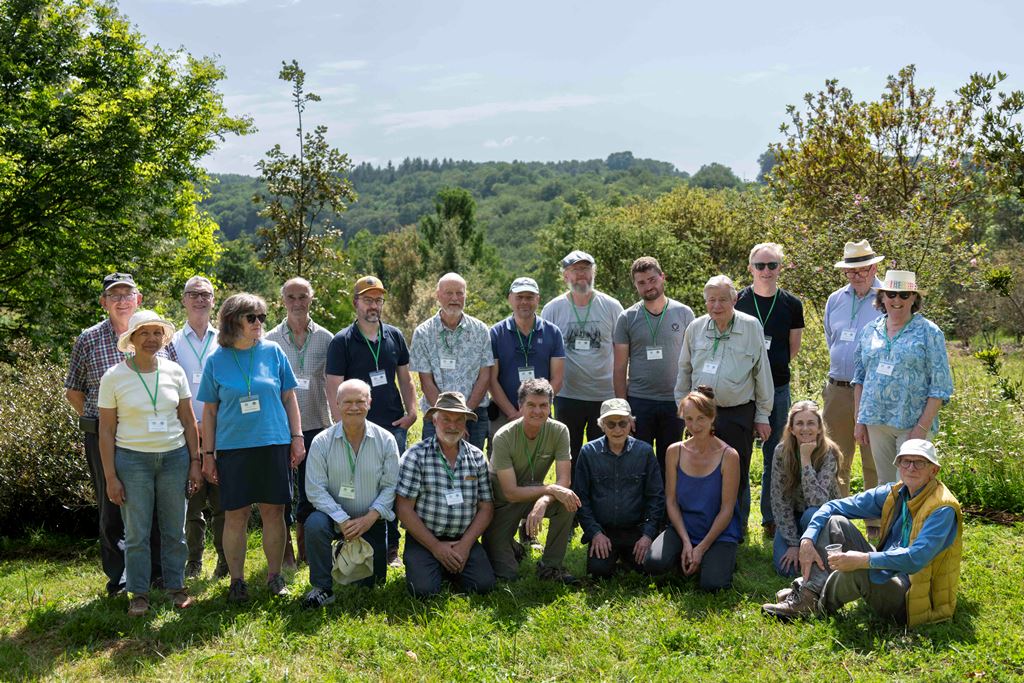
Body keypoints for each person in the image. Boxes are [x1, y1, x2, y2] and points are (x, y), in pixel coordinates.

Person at [761, 439, 963, 627]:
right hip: (887, 572)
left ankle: (813, 604)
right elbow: (832, 506)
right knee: (835, 523)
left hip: (914, 596)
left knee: (859, 570)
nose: (911, 467)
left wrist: (865, 559)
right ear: (898, 466)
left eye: (920, 463)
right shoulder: (895, 493)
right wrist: (807, 539)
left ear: (934, 470)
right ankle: (808, 593)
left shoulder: (941, 509)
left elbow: (915, 558)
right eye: (906, 461)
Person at [65, 272, 176, 596]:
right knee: (112, 504)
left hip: (149, 437)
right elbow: (73, 390)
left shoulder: (155, 333)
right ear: (104, 303)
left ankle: (155, 574)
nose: (122, 300)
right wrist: (105, 422)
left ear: (138, 300)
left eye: (128, 294)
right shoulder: (88, 339)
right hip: (105, 435)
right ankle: (119, 578)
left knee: (153, 504)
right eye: (114, 295)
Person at [197, 293, 305, 603]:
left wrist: (297, 438)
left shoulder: (273, 352)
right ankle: (237, 582)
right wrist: (208, 455)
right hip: (234, 449)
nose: (259, 323)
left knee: (275, 512)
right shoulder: (216, 361)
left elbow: (289, 398)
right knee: (236, 515)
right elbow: (210, 412)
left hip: (274, 443)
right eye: (251, 318)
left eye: (261, 317)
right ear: (233, 321)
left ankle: (275, 576)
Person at [97, 310, 202, 616]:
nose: (152, 339)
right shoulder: (114, 377)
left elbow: (187, 418)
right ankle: (139, 593)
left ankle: (176, 587)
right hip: (132, 461)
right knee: (137, 533)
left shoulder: (174, 371)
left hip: (174, 458)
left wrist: (195, 461)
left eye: (157, 333)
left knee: (174, 530)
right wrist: (110, 477)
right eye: (144, 333)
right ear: (131, 339)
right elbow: (106, 430)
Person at [326, 275, 417, 566]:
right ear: (356, 303)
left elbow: (405, 378)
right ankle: (353, 541)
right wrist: (340, 425)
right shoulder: (342, 341)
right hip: (356, 429)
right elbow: (334, 387)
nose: (373, 305)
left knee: (392, 484)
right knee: (357, 483)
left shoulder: (394, 336)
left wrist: (412, 411)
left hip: (392, 426)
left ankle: (392, 549)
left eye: (378, 300)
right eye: (367, 300)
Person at [675, 274, 773, 537]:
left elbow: (761, 372)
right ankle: (702, 525)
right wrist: (682, 407)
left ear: (735, 299)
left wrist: (763, 414)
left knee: (736, 472)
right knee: (702, 469)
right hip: (700, 414)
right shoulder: (695, 328)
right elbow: (684, 369)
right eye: (711, 300)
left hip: (737, 411)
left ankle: (734, 531)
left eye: (722, 300)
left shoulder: (751, 326)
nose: (716, 306)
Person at [302, 379, 399, 608]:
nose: (354, 407)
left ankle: (347, 553)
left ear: (370, 403)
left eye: (360, 401)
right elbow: (315, 489)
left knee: (372, 585)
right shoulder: (321, 442)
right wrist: (342, 519)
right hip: (333, 519)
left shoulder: (386, 440)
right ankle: (322, 587)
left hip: (371, 519)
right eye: (347, 402)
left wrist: (369, 518)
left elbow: (391, 487)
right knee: (314, 524)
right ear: (336, 403)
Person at [852, 270, 953, 487]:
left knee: (910, 483)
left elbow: (940, 386)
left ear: (914, 298)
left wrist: (922, 429)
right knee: (884, 484)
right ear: (882, 297)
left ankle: (911, 523)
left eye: (904, 295)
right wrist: (859, 420)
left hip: (912, 423)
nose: (896, 300)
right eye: (891, 294)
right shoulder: (870, 330)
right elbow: (859, 378)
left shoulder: (929, 332)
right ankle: (887, 522)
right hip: (876, 421)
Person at [395, 392, 496, 598]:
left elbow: (486, 507)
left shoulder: (477, 457)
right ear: (434, 420)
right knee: (423, 591)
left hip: (463, 538)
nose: (453, 425)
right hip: (425, 539)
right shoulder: (415, 456)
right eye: (446, 419)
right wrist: (436, 547)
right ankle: (438, 564)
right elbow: (403, 509)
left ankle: (450, 564)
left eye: (459, 419)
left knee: (484, 586)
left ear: (466, 422)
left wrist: (465, 545)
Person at [734, 243, 804, 538]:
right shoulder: (737, 300)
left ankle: (771, 517)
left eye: (772, 265)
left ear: (781, 268)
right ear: (750, 268)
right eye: (760, 265)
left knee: (775, 454)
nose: (766, 271)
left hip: (777, 387)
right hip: (741, 390)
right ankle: (736, 519)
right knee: (739, 455)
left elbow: (793, 348)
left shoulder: (791, 304)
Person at [482, 379, 580, 584]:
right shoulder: (504, 436)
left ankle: (551, 567)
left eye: (543, 405)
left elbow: (564, 479)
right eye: (531, 405)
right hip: (502, 504)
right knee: (507, 575)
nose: (538, 411)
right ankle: (510, 544)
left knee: (567, 501)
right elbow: (510, 492)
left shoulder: (560, 430)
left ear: (550, 406)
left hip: (532, 496)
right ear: (520, 406)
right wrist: (551, 489)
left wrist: (545, 499)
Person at [644, 387, 741, 591]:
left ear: (712, 417)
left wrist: (701, 547)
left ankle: (713, 558)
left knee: (712, 585)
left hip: (717, 531)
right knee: (653, 563)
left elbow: (727, 510)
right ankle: (686, 556)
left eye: (701, 418)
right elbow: (670, 501)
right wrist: (687, 542)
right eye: (688, 419)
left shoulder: (729, 456)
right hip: (683, 527)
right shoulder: (674, 451)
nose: (694, 425)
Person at [266, 277, 333, 566]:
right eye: (291, 297)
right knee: (281, 492)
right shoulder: (269, 340)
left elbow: (333, 384)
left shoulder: (327, 339)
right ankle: (286, 554)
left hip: (318, 422)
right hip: (280, 428)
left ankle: (307, 551)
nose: (297, 302)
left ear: (311, 297)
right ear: (282, 300)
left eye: (302, 296)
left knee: (311, 491)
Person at [823, 240, 884, 538]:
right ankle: (839, 522)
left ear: (874, 267)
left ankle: (875, 523)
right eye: (851, 270)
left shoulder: (888, 297)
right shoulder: (835, 299)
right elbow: (831, 340)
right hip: (837, 389)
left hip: (874, 391)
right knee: (836, 458)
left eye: (862, 269)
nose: (857, 275)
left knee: (873, 459)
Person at [540, 250, 623, 471]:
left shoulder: (612, 307)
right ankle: (571, 502)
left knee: (603, 456)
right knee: (569, 454)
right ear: (565, 276)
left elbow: (623, 353)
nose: (581, 275)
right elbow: (545, 354)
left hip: (604, 395)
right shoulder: (552, 309)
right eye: (575, 271)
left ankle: (599, 502)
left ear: (593, 273)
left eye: (586, 269)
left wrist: (622, 394)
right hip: (568, 395)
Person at [613, 257, 694, 476]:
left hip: (675, 402)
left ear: (662, 277)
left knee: (671, 464)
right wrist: (624, 409)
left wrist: (691, 403)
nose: (648, 286)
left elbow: (694, 361)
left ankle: (668, 510)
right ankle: (641, 511)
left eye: (652, 279)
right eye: (641, 283)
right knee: (638, 465)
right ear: (636, 286)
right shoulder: (627, 317)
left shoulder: (685, 313)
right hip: (640, 402)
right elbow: (620, 367)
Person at [167, 275, 226, 579]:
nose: (200, 299)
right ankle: (193, 561)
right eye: (194, 294)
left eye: (206, 294)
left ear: (214, 300)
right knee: (192, 504)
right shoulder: (171, 342)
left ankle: (225, 561)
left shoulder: (224, 339)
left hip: (222, 433)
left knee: (222, 502)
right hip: (185, 433)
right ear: (184, 300)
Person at [574, 398, 665, 579]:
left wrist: (647, 535)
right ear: (602, 425)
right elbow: (581, 498)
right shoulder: (588, 453)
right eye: (611, 424)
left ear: (631, 423)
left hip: (635, 530)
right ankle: (613, 556)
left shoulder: (645, 452)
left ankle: (626, 557)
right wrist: (595, 533)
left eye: (623, 423)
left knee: (649, 568)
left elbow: (656, 497)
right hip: (604, 531)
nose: (617, 429)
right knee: (599, 572)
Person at [410, 272, 494, 450]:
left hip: (474, 415)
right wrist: (447, 418)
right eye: (449, 293)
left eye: (459, 293)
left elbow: (485, 377)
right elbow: (426, 381)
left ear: (465, 295)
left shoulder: (480, 331)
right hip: (436, 415)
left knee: (471, 473)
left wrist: (463, 416)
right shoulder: (423, 333)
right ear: (438, 295)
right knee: (434, 471)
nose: (454, 298)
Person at [769, 401, 840, 578]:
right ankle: (804, 550)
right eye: (799, 423)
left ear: (819, 428)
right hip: (793, 515)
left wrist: (806, 458)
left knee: (812, 514)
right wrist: (793, 543)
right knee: (786, 569)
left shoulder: (829, 452)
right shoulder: (781, 452)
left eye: (811, 423)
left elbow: (818, 502)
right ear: (791, 429)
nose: (805, 428)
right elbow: (779, 500)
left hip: (824, 516)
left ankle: (818, 553)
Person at [489, 277, 565, 440]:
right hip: (505, 414)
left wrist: (533, 409)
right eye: (519, 297)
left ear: (538, 299)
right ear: (510, 298)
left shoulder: (553, 332)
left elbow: (557, 379)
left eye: (529, 297)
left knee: (538, 461)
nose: (524, 302)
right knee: (501, 461)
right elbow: (491, 380)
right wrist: (514, 413)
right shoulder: (495, 333)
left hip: (540, 412)